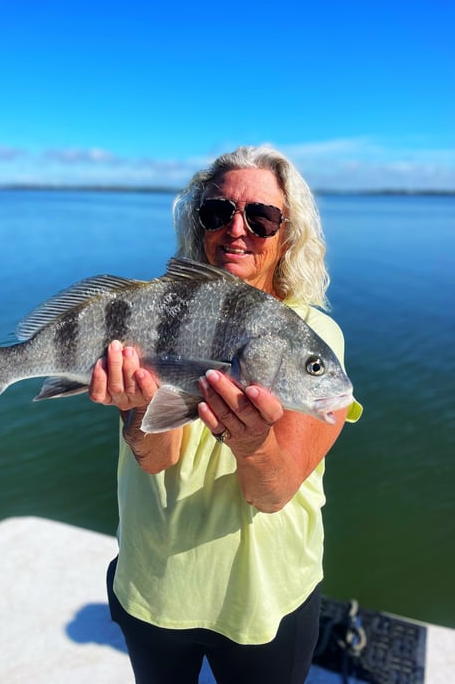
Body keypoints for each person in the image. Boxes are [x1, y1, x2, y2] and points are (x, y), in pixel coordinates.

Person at [89, 145, 362, 684]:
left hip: (262, 600)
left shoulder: (315, 336)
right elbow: (155, 459)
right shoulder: (158, 313)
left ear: (288, 234)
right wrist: (136, 409)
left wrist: (254, 443)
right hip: (154, 582)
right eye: (217, 212)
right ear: (200, 223)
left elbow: (273, 491)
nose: (237, 229)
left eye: (261, 217)